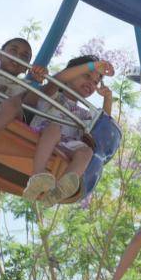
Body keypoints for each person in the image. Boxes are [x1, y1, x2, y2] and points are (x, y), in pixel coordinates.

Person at [23, 55, 114, 204]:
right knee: (54, 128)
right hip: (44, 135)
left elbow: (103, 126)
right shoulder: (52, 94)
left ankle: (60, 190)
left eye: (95, 82)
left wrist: (107, 99)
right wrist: (93, 65)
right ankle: (37, 175)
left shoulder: (84, 114)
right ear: (72, 74)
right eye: (86, 76)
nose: (91, 83)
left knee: (87, 152)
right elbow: (59, 78)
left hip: (65, 146)